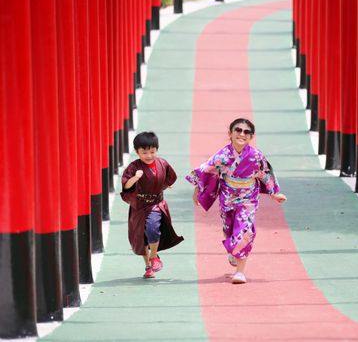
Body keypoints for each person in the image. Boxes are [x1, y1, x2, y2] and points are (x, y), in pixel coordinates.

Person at [186, 118, 287, 284]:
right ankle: (233, 249)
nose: (242, 134)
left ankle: (240, 272)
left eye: (246, 132)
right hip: (228, 196)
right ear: (230, 134)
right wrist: (197, 189)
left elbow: (265, 174)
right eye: (238, 130)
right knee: (229, 228)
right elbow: (207, 171)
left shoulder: (256, 156)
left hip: (248, 197)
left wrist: (274, 193)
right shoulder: (222, 155)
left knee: (245, 230)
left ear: (251, 136)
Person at [121, 131, 184, 278]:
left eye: (152, 151)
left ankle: (154, 256)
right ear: (137, 152)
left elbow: (169, 177)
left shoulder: (162, 163)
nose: (149, 156)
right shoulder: (133, 167)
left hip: (156, 203)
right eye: (144, 152)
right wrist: (135, 178)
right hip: (139, 205)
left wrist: (163, 185)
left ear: (157, 150)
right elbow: (126, 185)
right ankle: (148, 266)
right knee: (142, 236)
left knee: (153, 228)